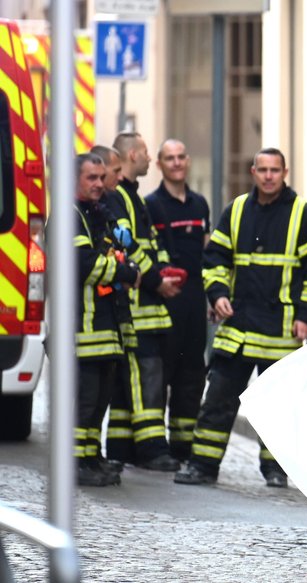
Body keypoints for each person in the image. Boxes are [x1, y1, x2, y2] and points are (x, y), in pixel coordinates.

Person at [174, 148, 307, 487]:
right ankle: (203, 465)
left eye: (275, 170)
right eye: (263, 170)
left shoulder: (303, 214)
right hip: (238, 325)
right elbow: (214, 259)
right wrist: (217, 294)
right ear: (253, 171)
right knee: (218, 399)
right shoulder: (237, 210)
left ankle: (275, 470)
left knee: (279, 407)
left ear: (285, 171)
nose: (269, 176)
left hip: (281, 328)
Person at [104, 132, 183, 472]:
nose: (150, 159)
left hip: (144, 306)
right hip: (138, 306)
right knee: (146, 378)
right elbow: (129, 248)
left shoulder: (132, 198)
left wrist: (165, 269)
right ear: (133, 154)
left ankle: (121, 447)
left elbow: (148, 245)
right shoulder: (121, 197)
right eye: (147, 153)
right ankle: (152, 448)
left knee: (129, 384)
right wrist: (157, 281)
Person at [72, 153, 140, 486]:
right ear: (75, 180)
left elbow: (117, 253)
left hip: (106, 325)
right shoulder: (69, 216)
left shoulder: (99, 214)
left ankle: (90, 456)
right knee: (84, 400)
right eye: (91, 178)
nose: (99, 184)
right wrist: (126, 272)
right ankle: (75, 461)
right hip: (82, 327)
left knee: (100, 400)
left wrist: (128, 264)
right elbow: (85, 264)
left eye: (102, 177)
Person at [144, 139, 211, 461]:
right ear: (159, 164)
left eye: (181, 157)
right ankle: (157, 447)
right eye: (169, 158)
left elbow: (208, 252)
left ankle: (183, 444)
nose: (176, 163)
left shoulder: (199, 205)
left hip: (196, 300)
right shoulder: (152, 205)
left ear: (188, 161)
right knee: (164, 371)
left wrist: (212, 295)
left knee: (192, 372)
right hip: (165, 300)